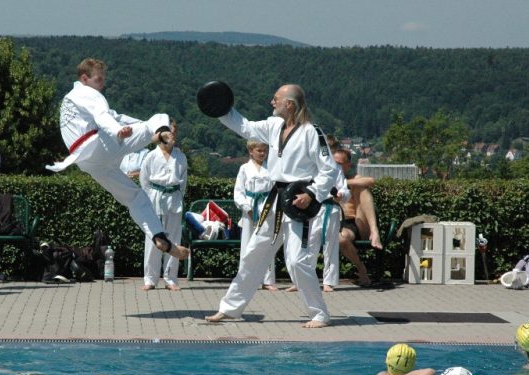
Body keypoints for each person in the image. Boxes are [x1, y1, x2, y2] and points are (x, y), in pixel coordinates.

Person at [205, 84, 339, 328]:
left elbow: (329, 169)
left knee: (297, 260)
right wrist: (220, 109)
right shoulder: (273, 126)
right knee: (253, 254)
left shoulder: (311, 132)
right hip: (274, 199)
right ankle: (231, 308)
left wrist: (312, 193)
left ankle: (320, 313)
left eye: (276, 99)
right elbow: (245, 127)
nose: (271, 102)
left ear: (289, 104)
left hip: (298, 200)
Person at [47, 58, 189, 261]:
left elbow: (116, 116)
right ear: (84, 78)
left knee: (135, 198)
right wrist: (119, 131)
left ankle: (159, 237)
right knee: (161, 117)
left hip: (85, 161)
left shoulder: (70, 100)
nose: (102, 83)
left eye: (103, 79)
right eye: (98, 79)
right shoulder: (88, 93)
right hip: (99, 146)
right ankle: (162, 135)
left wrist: (140, 126)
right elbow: (103, 116)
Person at [140, 121, 187, 291]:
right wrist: (148, 200)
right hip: (154, 197)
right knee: (154, 238)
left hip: (174, 198)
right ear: (161, 134)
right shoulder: (151, 156)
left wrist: (178, 196)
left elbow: (184, 181)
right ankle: (150, 279)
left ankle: (170, 279)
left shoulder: (180, 156)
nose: (173, 135)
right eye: (170, 132)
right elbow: (144, 180)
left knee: (173, 238)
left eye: (175, 132)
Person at [333, 147, 382, 286]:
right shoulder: (325, 179)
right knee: (340, 240)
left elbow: (371, 180)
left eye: (339, 164)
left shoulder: (353, 179)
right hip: (335, 223)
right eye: (333, 163)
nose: (336, 166)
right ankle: (361, 269)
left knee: (363, 188)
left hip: (355, 222)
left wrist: (344, 183)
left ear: (348, 165)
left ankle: (374, 230)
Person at [234, 140, 277, 291]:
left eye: (264, 150)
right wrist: (247, 208)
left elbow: (275, 190)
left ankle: (268, 280)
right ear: (251, 151)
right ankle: (244, 279)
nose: (262, 153)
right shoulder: (244, 168)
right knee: (247, 244)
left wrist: (272, 207)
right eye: (259, 150)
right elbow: (238, 191)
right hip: (250, 208)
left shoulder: (271, 168)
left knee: (266, 243)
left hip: (267, 207)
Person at [320, 136, 351, 292]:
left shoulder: (337, 169)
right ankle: (302, 280)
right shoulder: (312, 165)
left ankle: (329, 281)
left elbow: (345, 190)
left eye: (331, 151)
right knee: (308, 245)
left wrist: (341, 195)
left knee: (330, 245)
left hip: (331, 208)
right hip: (313, 209)